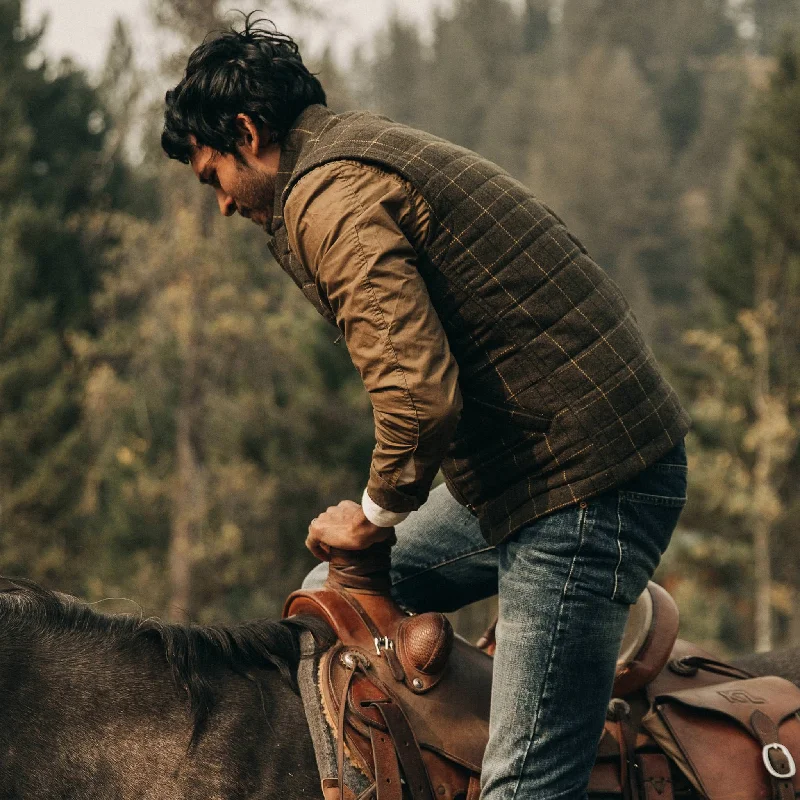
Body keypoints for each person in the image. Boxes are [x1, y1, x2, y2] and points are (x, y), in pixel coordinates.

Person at [162, 15, 690, 800]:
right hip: (522, 473)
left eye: (214, 177)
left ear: (245, 131)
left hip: (586, 486)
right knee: (336, 594)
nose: (225, 207)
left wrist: (372, 517)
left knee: (524, 788)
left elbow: (417, 396)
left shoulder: (328, 198)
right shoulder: (345, 152)